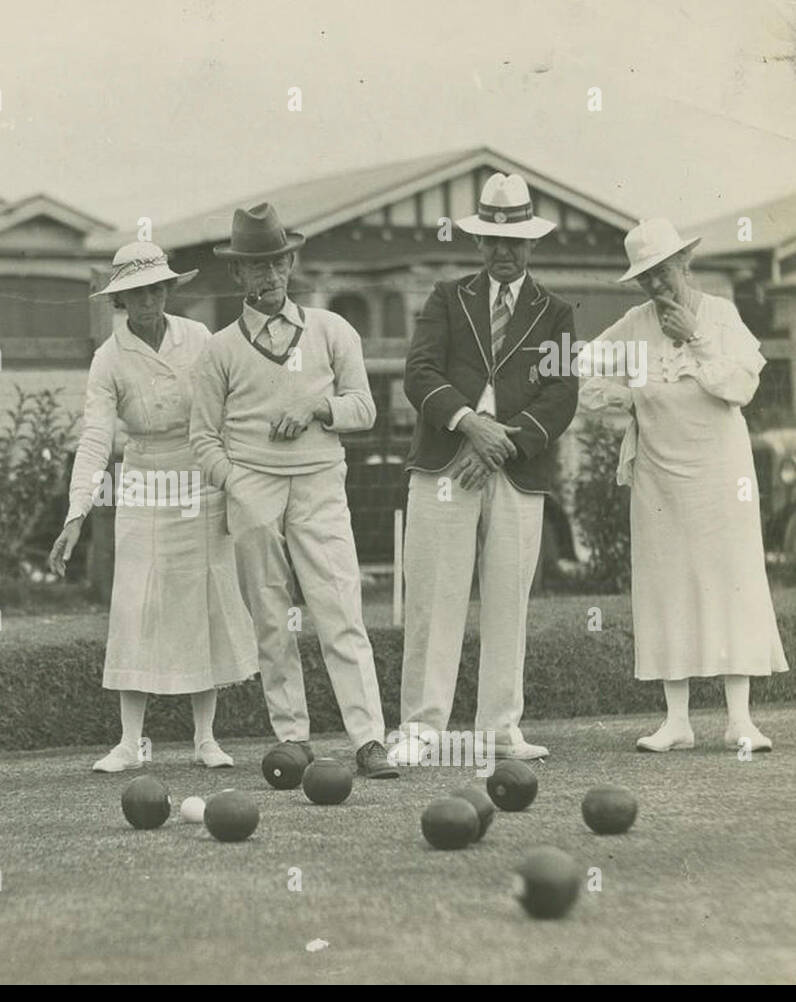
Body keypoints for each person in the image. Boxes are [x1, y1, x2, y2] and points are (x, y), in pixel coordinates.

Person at [189, 203, 397, 779]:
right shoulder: (219, 349)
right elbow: (203, 439)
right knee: (272, 620)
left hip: (320, 484)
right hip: (253, 487)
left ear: (292, 263)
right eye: (256, 265)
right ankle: (292, 736)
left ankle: (368, 739)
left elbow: (364, 408)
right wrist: (240, 486)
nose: (269, 275)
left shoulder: (333, 330)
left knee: (339, 607)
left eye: (278, 262)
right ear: (237, 274)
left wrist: (315, 406)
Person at [578, 218, 786, 753]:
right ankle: (677, 720)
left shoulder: (720, 315)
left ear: (684, 263)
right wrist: (628, 399)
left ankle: (740, 719)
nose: (655, 284)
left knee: (731, 578)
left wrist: (693, 339)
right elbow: (582, 370)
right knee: (667, 583)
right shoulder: (632, 324)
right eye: (645, 276)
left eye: (662, 271)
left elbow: (740, 386)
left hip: (721, 474)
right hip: (659, 477)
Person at [49, 242, 257, 771]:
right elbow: (96, 437)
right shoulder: (108, 359)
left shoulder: (201, 339)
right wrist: (76, 515)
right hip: (142, 485)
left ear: (168, 290)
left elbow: (227, 412)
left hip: (201, 478)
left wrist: (238, 485)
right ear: (121, 299)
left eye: (157, 290)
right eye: (137, 293)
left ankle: (206, 739)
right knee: (135, 605)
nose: (149, 301)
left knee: (204, 602)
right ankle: (130, 743)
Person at [395, 173, 578, 764]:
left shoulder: (556, 312)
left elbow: (561, 395)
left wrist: (504, 442)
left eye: (515, 241)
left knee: (508, 598)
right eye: (493, 241)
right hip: (446, 464)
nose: (504, 252)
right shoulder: (447, 297)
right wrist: (470, 424)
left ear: (531, 244)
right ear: (478, 242)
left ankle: (500, 729)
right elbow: (420, 373)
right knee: (434, 595)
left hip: (516, 471)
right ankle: (422, 728)